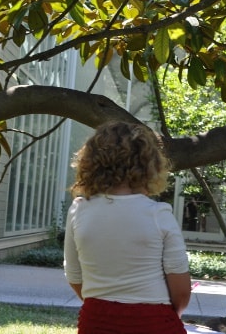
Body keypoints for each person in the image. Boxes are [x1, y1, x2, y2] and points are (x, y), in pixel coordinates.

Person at [64, 121, 190, 334]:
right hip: (154, 322)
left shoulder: (79, 210)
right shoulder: (158, 214)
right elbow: (181, 292)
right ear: (149, 166)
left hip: (96, 321)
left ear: (91, 163)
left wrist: (105, 305)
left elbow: (75, 276)